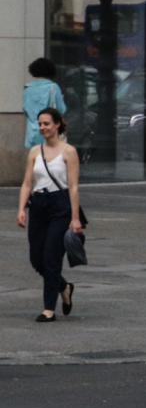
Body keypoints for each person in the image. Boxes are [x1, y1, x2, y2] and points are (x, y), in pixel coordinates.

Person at [16, 109, 81, 322]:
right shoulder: (35, 151)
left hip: (60, 207)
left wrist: (75, 217)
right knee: (36, 258)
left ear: (57, 125)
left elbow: (72, 187)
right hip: (39, 206)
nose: (43, 127)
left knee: (51, 258)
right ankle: (64, 287)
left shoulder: (69, 151)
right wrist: (21, 209)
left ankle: (48, 309)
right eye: (40, 124)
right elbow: (27, 183)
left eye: (47, 123)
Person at [23, 59, 67, 150]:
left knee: (36, 160)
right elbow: (61, 109)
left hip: (33, 132)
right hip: (49, 132)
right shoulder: (53, 87)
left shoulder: (27, 89)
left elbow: (25, 110)